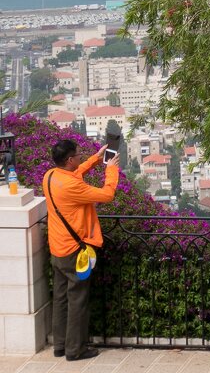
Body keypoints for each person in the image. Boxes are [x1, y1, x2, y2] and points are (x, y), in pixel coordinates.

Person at [44, 139, 119, 362]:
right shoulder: (71, 186)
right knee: (78, 300)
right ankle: (75, 350)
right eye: (78, 155)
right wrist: (111, 169)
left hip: (57, 249)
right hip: (75, 252)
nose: (80, 157)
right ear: (69, 160)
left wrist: (96, 158)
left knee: (60, 299)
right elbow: (107, 195)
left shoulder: (50, 176)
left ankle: (60, 345)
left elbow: (75, 174)